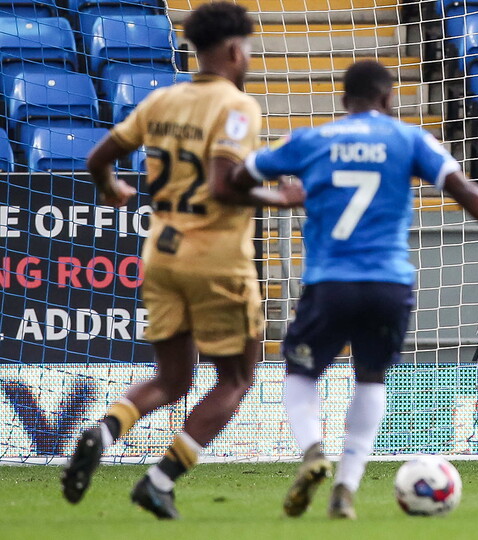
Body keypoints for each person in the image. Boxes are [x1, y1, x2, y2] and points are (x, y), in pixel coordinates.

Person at [232, 59, 478, 520]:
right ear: (388, 100)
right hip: (389, 283)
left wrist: (281, 196)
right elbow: (465, 191)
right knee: (369, 379)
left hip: (330, 282)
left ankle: (312, 450)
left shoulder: (310, 140)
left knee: (300, 373)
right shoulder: (409, 138)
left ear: (343, 101)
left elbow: (235, 181)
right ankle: (346, 486)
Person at [60, 2, 305, 520]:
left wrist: (113, 188)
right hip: (216, 259)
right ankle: (159, 479)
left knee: (172, 380)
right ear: (235, 50)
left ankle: (102, 431)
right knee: (236, 380)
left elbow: (96, 158)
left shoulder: (162, 100)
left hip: (161, 254)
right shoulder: (237, 107)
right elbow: (222, 184)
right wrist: (283, 199)